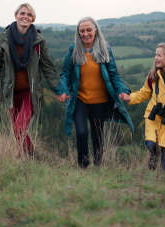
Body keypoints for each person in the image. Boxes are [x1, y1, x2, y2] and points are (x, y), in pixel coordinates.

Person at [56, 17, 134, 168]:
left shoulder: (105, 49)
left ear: (95, 31)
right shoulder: (74, 49)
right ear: (78, 33)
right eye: (82, 31)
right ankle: (83, 166)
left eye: (89, 30)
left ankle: (99, 166)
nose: (85, 33)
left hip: (100, 101)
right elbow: (65, 72)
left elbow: (113, 74)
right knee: (81, 133)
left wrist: (123, 90)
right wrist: (62, 90)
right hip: (80, 99)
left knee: (98, 136)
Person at [0, 3, 64, 156]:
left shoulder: (38, 41)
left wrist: (58, 89)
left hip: (30, 92)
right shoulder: (3, 39)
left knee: (20, 127)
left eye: (29, 15)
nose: (25, 17)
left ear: (32, 19)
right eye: (22, 13)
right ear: (16, 15)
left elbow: (48, 66)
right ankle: (26, 156)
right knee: (16, 129)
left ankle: (31, 154)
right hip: (10, 91)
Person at [122, 42, 165, 171]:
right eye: (155, 55)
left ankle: (162, 176)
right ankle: (154, 155)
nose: (155, 58)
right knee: (151, 144)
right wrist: (130, 97)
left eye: (159, 55)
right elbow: (144, 93)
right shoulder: (152, 76)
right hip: (154, 116)